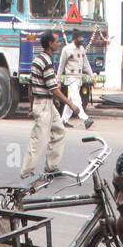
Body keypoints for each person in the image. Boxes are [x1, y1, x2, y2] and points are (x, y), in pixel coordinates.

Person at [21, 31, 81, 178]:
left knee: (59, 131)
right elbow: (53, 89)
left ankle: (51, 167)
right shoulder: (46, 62)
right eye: (57, 41)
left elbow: (30, 86)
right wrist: (71, 105)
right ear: (50, 44)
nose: (59, 43)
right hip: (43, 104)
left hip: (46, 104)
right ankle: (26, 171)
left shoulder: (40, 59)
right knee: (39, 139)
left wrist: (30, 106)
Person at [58, 30, 93, 129]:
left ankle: (63, 120)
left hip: (79, 79)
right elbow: (61, 66)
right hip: (71, 78)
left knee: (71, 101)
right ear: (74, 39)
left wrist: (92, 75)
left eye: (82, 38)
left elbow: (86, 64)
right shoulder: (67, 49)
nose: (82, 40)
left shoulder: (82, 49)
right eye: (79, 38)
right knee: (77, 100)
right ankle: (85, 119)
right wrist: (58, 81)